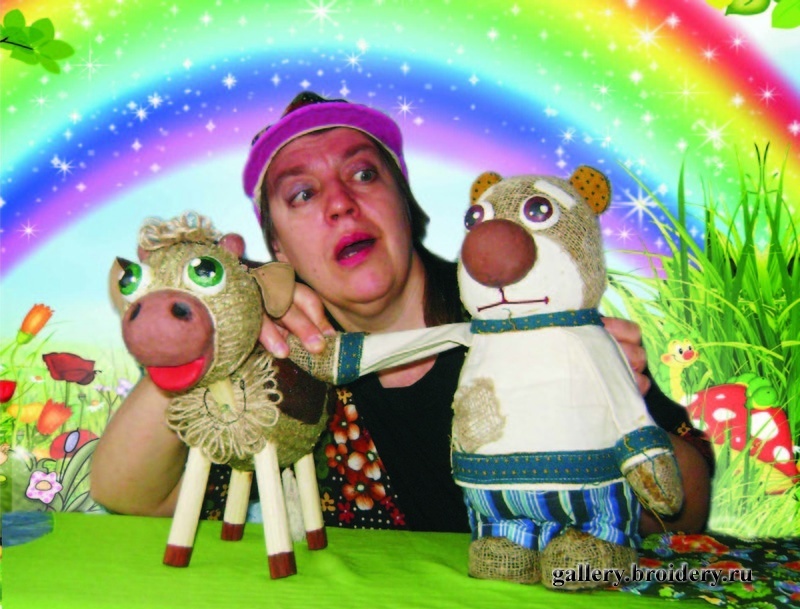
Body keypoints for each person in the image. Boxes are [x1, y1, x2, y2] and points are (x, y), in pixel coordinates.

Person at [91, 91, 713, 536]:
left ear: (404, 204)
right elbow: (128, 493)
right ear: (277, 248)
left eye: (364, 174)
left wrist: (605, 408)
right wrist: (220, 326)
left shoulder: (522, 306)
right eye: (302, 193)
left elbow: (683, 510)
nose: (340, 202)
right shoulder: (280, 368)